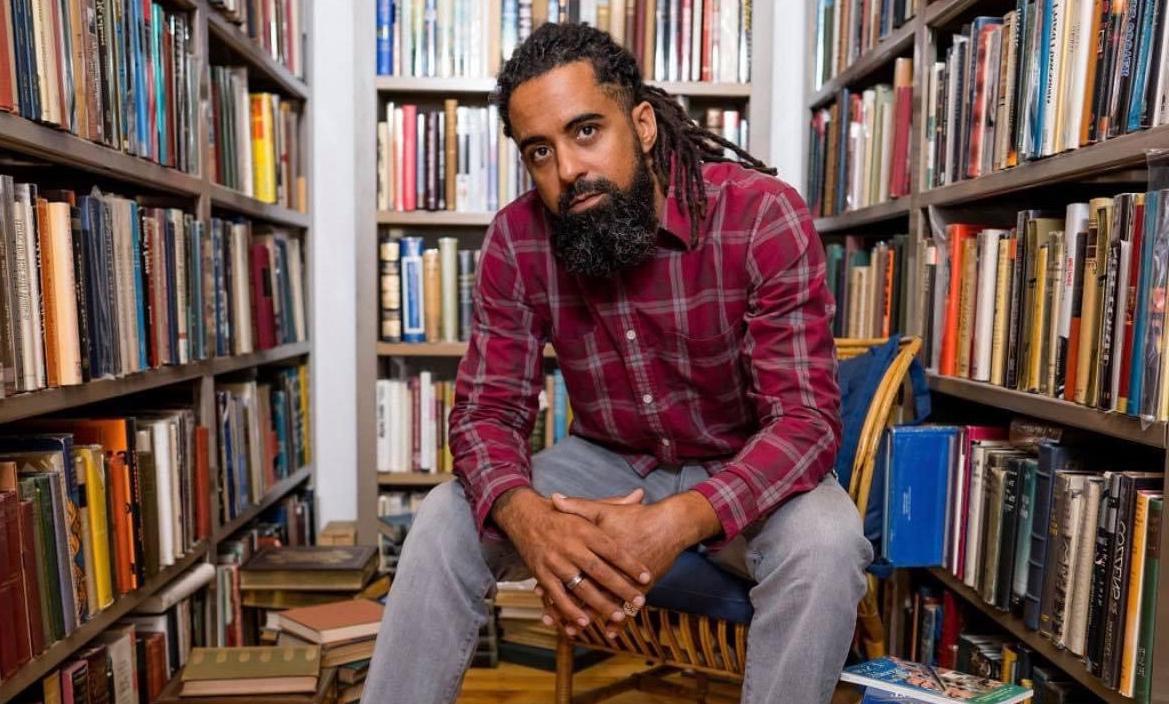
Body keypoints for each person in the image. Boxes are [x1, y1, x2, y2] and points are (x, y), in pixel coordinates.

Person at [362, 22, 872, 704]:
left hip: (740, 462)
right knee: (441, 521)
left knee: (828, 543)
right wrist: (530, 522)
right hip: (605, 463)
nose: (567, 170)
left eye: (584, 132)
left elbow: (804, 421)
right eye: (538, 152)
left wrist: (676, 522)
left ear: (641, 123)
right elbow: (487, 412)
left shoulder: (760, 216)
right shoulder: (517, 238)